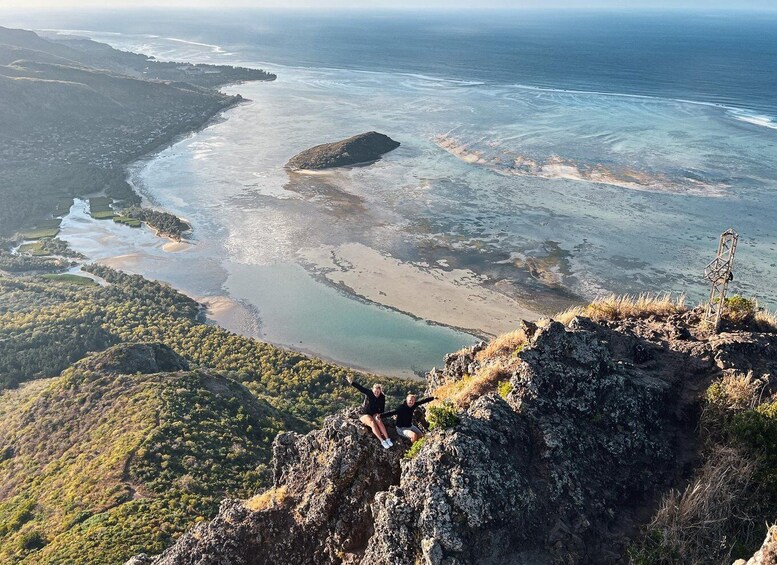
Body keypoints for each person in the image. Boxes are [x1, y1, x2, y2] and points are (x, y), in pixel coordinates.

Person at [347, 375, 393, 449]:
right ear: (372, 390)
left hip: (374, 413)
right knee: (372, 423)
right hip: (364, 413)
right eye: (375, 391)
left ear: (380, 391)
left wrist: (380, 415)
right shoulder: (369, 393)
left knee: (378, 421)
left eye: (378, 392)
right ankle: (382, 441)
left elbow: (382, 409)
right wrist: (352, 383)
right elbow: (361, 388)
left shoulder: (382, 397)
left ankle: (387, 438)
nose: (376, 393)